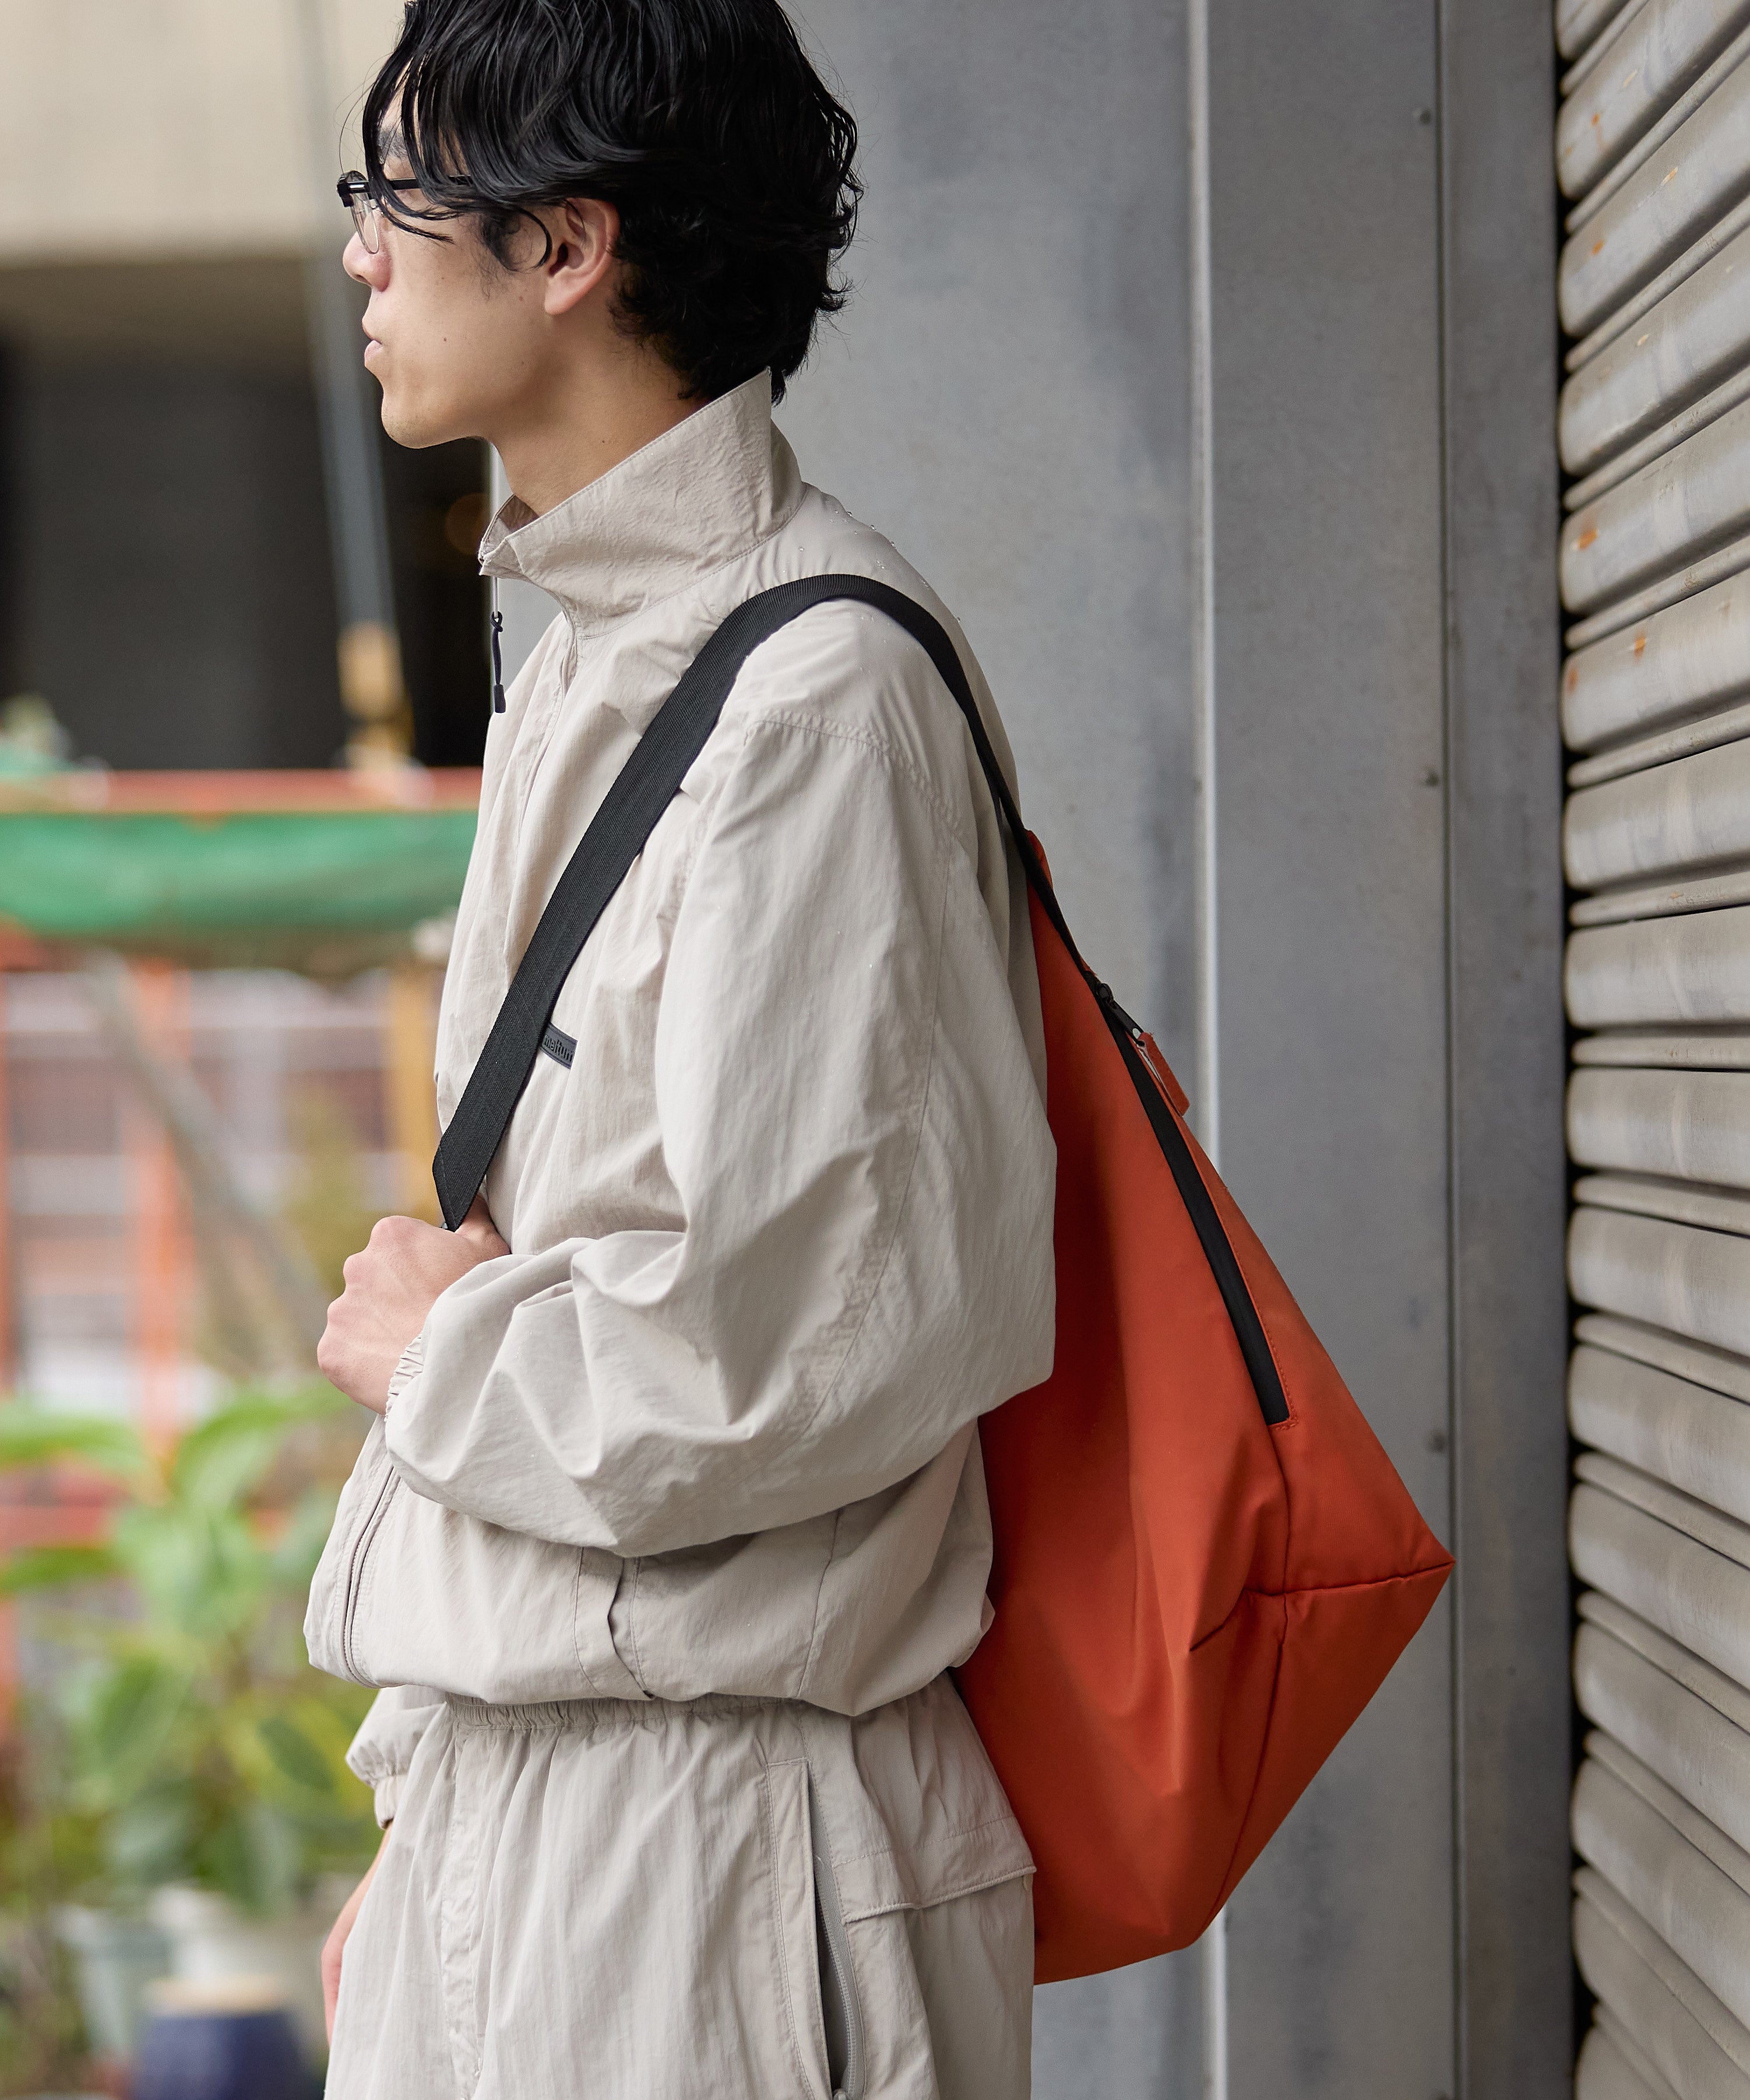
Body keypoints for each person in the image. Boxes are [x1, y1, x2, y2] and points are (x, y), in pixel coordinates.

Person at [306, 2, 1056, 2093]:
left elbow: (801, 1341)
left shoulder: (806, 698)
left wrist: (433, 1348)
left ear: (565, 247)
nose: (361, 252)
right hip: (566, 1822)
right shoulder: (601, 660)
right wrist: (441, 1815)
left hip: (703, 1876)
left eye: (395, 193)